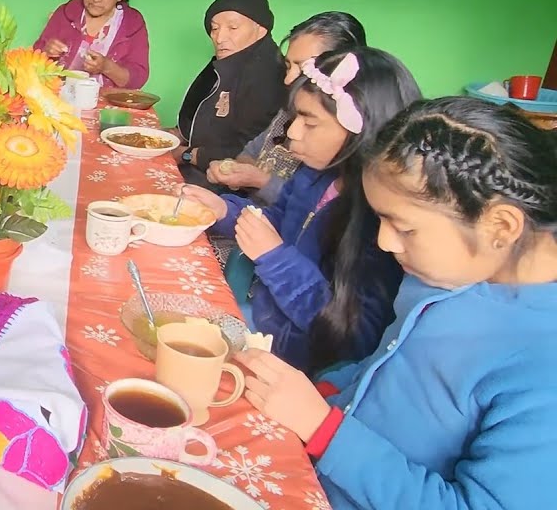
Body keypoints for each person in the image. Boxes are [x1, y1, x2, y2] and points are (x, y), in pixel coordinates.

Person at [236, 97, 557, 510]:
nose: (385, 242)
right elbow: (387, 363)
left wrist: (323, 427)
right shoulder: (445, 275)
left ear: (501, 225)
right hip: (311, 472)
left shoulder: (541, 365)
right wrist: (323, 393)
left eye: (404, 228)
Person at [184, 48, 422, 372]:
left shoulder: (382, 222)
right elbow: (279, 223)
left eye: (309, 122)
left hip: (297, 370)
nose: (292, 132)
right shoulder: (314, 173)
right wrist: (224, 210)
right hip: (258, 327)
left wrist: (276, 260)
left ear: (362, 130)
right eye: (295, 117)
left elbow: (355, 338)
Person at [207, 11, 368, 206]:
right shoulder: (288, 111)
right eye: (288, 66)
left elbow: (308, 209)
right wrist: (236, 170)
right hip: (245, 210)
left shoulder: (339, 137)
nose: (288, 79)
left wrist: (260, 180)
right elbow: (249, 152)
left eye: (303, 67)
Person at [171, 0, 285, 189]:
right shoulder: (229, 61)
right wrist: (171, 136)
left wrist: (187, 154)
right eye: (214, 29)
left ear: (261, 30)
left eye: (233, 28)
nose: (220, 38)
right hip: (197, 166)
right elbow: (196, 116)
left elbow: (244, 151)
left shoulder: (267, 74)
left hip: (225, 185)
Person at [32, 0, 149, 89]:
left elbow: (137, 79)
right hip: (59, 99)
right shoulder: (66, 13)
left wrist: (106, 67)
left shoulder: (132, 24)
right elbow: (33, 59)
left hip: (107, 106)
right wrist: (46, 51)